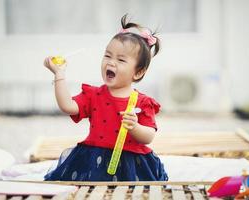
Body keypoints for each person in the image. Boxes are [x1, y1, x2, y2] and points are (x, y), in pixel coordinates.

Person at [43, 14, 168, 181]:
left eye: (121, 59)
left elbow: (149, 137)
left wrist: (135, 127)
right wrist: (59, 74)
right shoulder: (93, 95)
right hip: (93, 162)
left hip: (132, 165)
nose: (111, 62)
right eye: (107, 56)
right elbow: (67, 106)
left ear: (138, 72)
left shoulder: (143, 103)